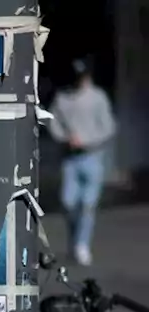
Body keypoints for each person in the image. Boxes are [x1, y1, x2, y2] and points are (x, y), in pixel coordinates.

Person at [47, 58, 117, 266]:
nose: (80, 81)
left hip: (93, 157)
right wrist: (65, 138)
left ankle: (82, 245)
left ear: (88, 76)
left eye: (82, 76)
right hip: (70, 159)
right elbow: (53, 122)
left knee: (87, 204)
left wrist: (86, 140)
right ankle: (74, 239)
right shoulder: (62, 98)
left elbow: (108, 127)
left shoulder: (98, 97)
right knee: (68, 202)